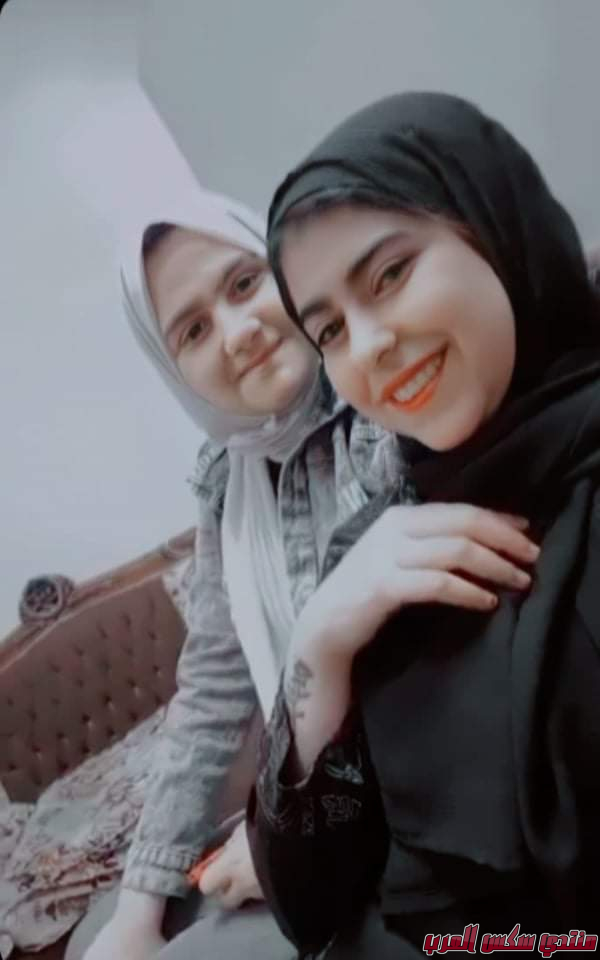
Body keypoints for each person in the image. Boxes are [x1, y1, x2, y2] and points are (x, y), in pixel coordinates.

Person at [248, 92, 600, 957]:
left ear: (496, 228)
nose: (366, 346)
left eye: (390, 274)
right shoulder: (380, 548)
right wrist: (319, 644)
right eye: (329, 329)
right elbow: (308, 902)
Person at [69, 185, 412, 960]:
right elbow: (213, 688)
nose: (237, 332)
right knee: (115, 930)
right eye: (193, 329)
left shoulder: (380, 399)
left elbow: (440, 669)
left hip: (423, 832)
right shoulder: (229, 482)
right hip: (319, 807)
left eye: (244, 282)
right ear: (174, 368)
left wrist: (284, 844)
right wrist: (139, 903)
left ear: (286, 266)